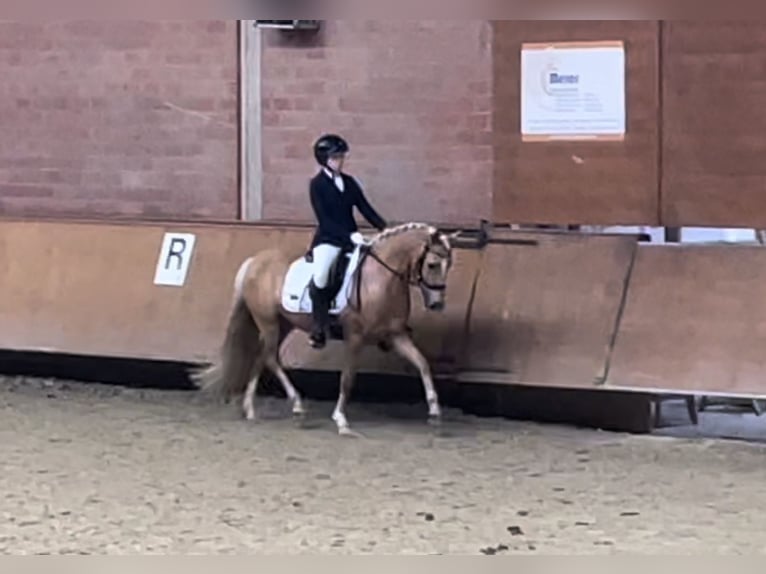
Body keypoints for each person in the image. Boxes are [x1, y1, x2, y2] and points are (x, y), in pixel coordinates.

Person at [307, 134, 388, 349]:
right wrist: (348, 236)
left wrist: (385, 229)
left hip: (353, 239)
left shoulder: (349, 182)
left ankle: (381, 323)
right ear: (324, 159)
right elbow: (324, 219)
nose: (340, 161)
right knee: (322, 276)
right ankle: (318, 327)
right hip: (329, 240)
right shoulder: (317, 185)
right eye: (335, 157)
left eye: (342, 157)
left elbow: (365, 207)